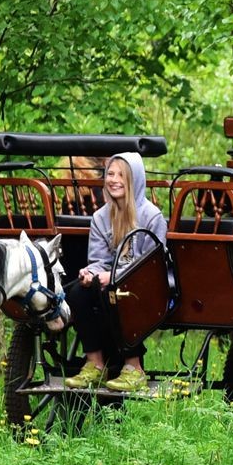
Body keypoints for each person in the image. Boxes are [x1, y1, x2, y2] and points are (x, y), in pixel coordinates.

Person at [61, 151, 168, 391]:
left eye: (122, 174)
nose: (114, 179)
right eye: (110, 173)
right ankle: (95, 364)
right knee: (78, 292)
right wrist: (90, 272)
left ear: (135, 179)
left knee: (115, 290)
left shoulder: (151, 216)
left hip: (145, 286)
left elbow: (152, 265)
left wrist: (114, 276)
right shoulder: (101, 217)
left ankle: (134, 368)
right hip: (110, 281)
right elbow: (99, 259)